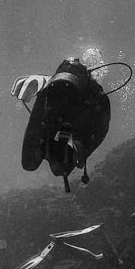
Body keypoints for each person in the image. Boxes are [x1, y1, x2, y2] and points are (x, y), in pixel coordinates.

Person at [13, 57, 110, 193]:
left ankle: (65, 150)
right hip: (74, 113)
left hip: (53, 97)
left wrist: (44, 144)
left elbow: (29, 158)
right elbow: (100, 130)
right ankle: (70, 150)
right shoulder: (97, 96)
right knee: (57, 163)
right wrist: (79, 151)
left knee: (29, 163)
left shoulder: (50, 88)